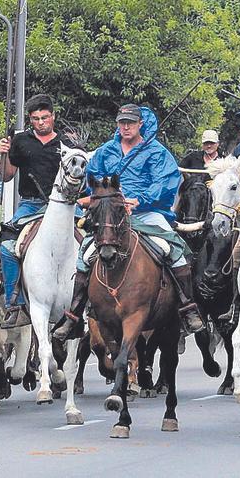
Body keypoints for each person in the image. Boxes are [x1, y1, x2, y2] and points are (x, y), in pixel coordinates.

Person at [52, 104, 206, 342]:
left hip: (147, 213)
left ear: (140, 124)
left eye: (130, 122)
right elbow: (93, 179)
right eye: (122, 122)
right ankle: (74, 314)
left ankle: (188, 308)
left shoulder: (157, 152)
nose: (125, 126)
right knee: (85, 252)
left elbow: (165, 182)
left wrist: (139, 200)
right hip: (110, 216)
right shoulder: (105, 151)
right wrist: (96, 197)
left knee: (174, 249)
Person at [0, 94, 72, 328]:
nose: (41, 122)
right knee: (7, 246)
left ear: (53, 116)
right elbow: (6, 175)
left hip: (63, 205)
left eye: (45, 117)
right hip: (30, 204)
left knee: (90, 242)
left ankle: (86, 301)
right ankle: (14, 304)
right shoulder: (21, 141)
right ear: (30, 120)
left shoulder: (66, 144)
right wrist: (4, 154)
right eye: (36, 119)